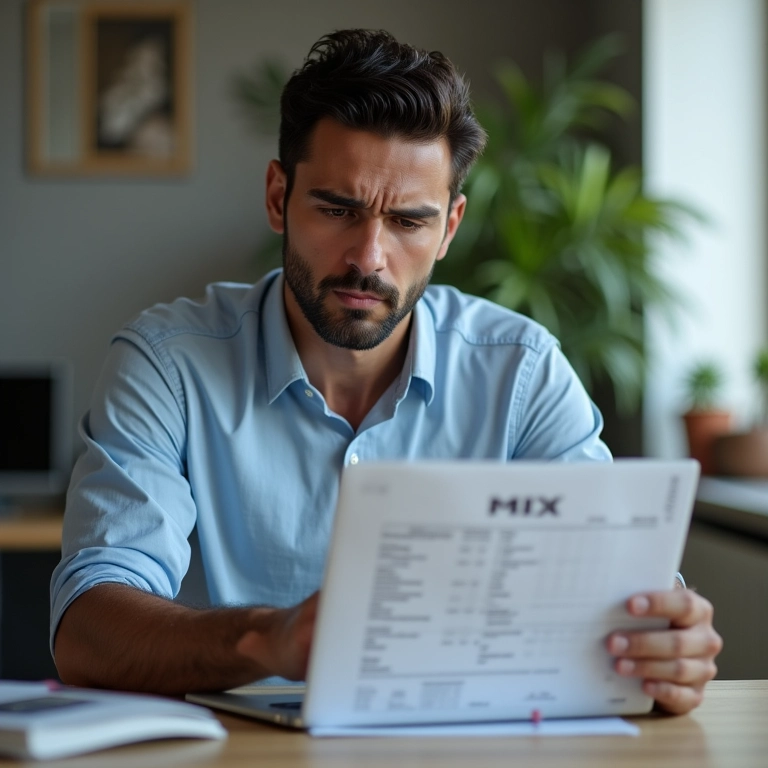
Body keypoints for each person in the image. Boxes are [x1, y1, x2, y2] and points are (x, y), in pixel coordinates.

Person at [51, 29, 721, 714]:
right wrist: (271, 640)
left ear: (450, 227)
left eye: (407, 221)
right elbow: (88, 629)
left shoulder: (521, 371)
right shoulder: (168, 365)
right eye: (338, 210)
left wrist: (668, 646)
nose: (369, 256)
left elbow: (627, 599)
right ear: (279, 197)